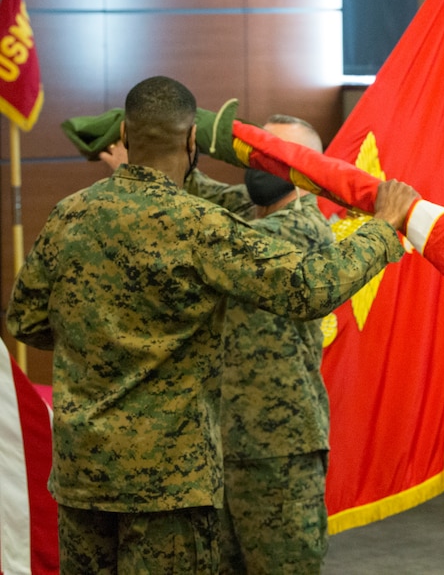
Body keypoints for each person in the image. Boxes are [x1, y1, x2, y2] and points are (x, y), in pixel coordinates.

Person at [6, 76, 419, 574]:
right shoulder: (199, 226)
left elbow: (25, 319)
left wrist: (99, 344)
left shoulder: (68, 216)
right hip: (167, 482)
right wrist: (382, 229)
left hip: (82, 473)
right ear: (192, 141)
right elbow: (309, 288)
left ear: (126, 135)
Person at [101, 113, 339, 573]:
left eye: (279, 157)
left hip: (278, 448)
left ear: (310, 170)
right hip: (217, 442)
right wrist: (144, 166)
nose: (262, 167)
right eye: (259, 154)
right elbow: (198, 191)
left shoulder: (301, 230)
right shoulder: (245, 210)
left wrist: (145, 196)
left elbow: (211, 236)